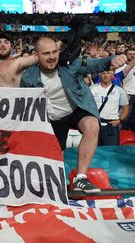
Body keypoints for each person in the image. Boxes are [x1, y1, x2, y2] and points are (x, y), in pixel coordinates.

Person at [21, 37, 127, 193]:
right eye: (46, 53)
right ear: (36, 55)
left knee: (92, 125)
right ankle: (53, 184)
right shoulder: (28, 77)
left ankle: (81, 178)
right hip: (52, 118)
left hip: (76, 109)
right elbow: (28, 106)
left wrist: (112, 59)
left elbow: (94, 64)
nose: (51, 57)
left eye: (54, 52)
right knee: (56, 158)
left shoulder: (70, 65)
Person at [91, 70, 129, 145]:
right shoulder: (92, 89)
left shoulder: (119, 90)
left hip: (111, 125)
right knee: (94, 153)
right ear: (99, 74)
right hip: (95, 125)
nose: (105, 75)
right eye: (103, 73)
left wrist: (119, 121)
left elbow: (126, 108)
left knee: (111, 152)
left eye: (108, 73)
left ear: (113, 75)